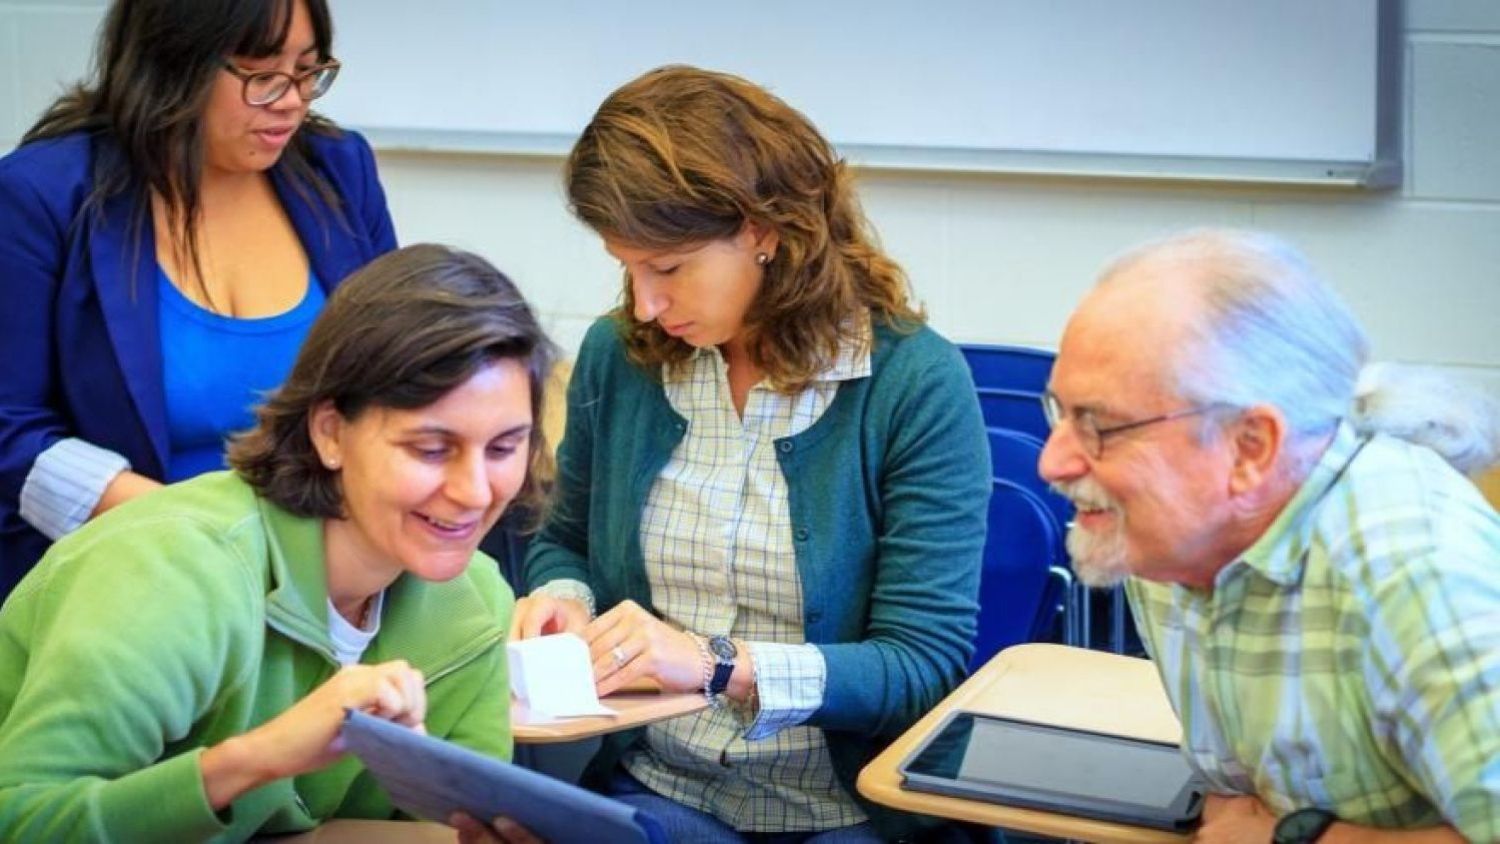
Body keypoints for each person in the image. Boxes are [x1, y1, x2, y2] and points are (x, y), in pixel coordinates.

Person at [512, 65, 990, 841]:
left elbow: (919, 666)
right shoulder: (620, 356)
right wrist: (567, 598)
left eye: (668, 268)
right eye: (626, 267)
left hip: (847, 807)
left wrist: (716, 665)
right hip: (660, 785)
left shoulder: (913, 383)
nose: (644, 303)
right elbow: (564, 541)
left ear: (764, 230)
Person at [0, 244, 553, 841]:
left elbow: (435, 829)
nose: (474, 492)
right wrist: (257, 759)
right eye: (430, 448)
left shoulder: (475, 603)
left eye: (503, 448)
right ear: (330, 432)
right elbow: (23, 821)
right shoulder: (173, 572)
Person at [1038, 228, 1499, 843]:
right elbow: (1236, 798)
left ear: (1250, 448)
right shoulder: (1167, 541)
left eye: (1100, 426)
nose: (1053, 461)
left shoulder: (1414, 574)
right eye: (1060, 412)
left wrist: (1300, 838)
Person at [0, 0, 397, 596]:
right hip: (123, 578)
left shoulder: (338, 169)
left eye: (309, 71)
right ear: (173, 61)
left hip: (323, 576)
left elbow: (400, 372)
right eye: (262, 75)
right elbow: (10, 427)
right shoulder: (45, 196)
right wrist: (213, 540)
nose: (291, 100)